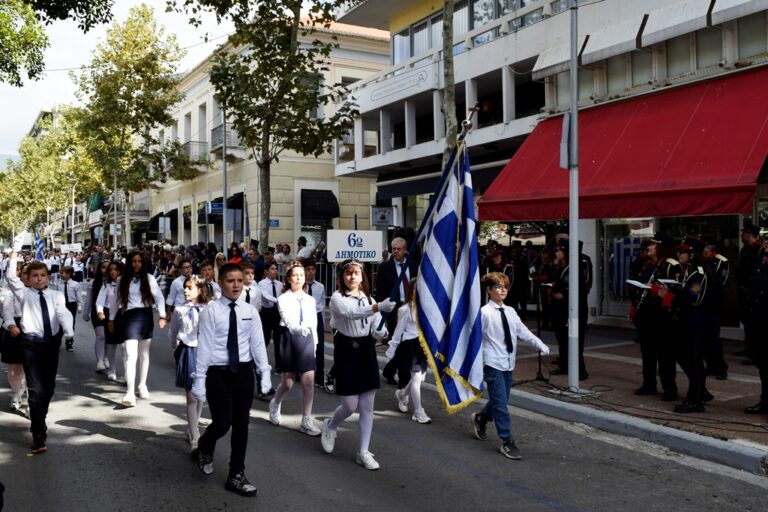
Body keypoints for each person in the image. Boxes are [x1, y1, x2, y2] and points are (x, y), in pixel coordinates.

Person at [192, 263, 272, 497]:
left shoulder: (250, 311)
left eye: (239, 280)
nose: (236, 285)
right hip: (218, 372)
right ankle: (205, 446)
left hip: (243, 372)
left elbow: (257, 344)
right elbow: (205, 347)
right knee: (222, 423)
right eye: (230, 280)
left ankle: (236, 474)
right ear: (220, 283)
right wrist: (199, 379)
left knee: (241, 424)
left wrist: (264, 372)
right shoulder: (211, 311)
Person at [320, 259, 395, 470]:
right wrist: (378, 307)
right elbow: (349, 314)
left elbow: (376, 328)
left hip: (367, 351)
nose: (352, 277)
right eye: (348, 274)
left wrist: (381, 331)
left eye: (356, 273)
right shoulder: (337, 298)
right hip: (347, 349)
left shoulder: (369, 299)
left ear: (363, 277)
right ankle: (331, 425)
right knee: (350, 405)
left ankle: (363, 451)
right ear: (342, 278)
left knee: (367, 405)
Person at [472, 272, 550, 460]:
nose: (503, 290)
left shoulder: (510, 311)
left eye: (505, 286)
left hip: (508, 363)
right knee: (501, 405)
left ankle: (481, 418)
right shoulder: (484, 313)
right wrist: (478, 363)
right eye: (498, 286)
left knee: (501, 400)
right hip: (492, 363)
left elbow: (522, 331)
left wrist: (539, 344)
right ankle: (507, 441)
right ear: (489, 290)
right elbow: (476, 340)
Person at [6, 253, 74, 454]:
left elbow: (63, 313)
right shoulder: (24, 294)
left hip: (51, 344)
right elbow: (11, 279)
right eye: (34, 275)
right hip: (31, 344)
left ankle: (39, 418)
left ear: (47, 277)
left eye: (42, 275)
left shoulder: (56, 295)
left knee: (48, 387)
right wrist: (13, 256)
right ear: (29, 278)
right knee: (35, 391)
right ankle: (38, 433)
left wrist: (68, 330)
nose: (38, 278)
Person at [106, 252, 167, 407]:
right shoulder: (121, 280)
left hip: (145, 316)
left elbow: (159, 297)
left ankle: (142, 384)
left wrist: (162, 315)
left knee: (144, 354)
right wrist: (111, 319)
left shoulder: (150, 278)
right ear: (129, 263)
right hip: (128, 317)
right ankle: (130, 392)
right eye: (134, 261)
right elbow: (116, 301)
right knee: (130, 354)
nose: (137, 264)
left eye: (140, 261)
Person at [268, 262, 321, 436]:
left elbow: (313, 323)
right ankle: (275, 403)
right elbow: (287, 318)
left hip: (306, 339)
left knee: (308, 381)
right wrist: (297, 328)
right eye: (295, 275)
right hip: (289, 338)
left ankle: (306, 419)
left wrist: (314, 345)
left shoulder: (310, 300)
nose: (299, 278)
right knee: (288, 382)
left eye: (301, 275)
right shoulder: (283, 298)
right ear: (289, 278)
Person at [661, 237, 710, 413]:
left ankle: (695, 400)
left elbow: (692, 299)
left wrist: (668, 296)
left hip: (694, 323)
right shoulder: (687, 272)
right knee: (684, 358)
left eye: (682, 252)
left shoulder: (698, 274)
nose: (679, 254)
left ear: (692, 254)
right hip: (684, 321)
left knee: (694, 362)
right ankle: (697, 393)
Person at [631, 233, 680, 400]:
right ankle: (648, 384)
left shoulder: (671, 265)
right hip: (646, 315)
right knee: (647, 352)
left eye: (652, 245)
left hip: (662, 316)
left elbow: (675, 291)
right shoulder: (647, 265)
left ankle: (670, 389)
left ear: (660, 247)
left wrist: (657, 292)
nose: (649, 248)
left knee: (665, 356)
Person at [168, 275, 211, 451]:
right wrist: (175, 349)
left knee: (200, 394)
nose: (185, 290)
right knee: (192, 396)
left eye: (190, 287)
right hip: (188, 351)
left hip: (206, 353)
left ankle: (192, 427)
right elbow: (173, 332)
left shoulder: (209, 308)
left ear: (200, 290)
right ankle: (195, 436)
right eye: (185, 287)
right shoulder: (180, 310)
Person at [386, 278, 431, 424]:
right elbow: (398, 331)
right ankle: (418, 411)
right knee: (417, 378)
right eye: (415, 288)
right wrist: (392, 349)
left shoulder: (428, 308)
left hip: (423, 346)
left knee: (418, 378)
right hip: (410, 345)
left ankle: (401, 393)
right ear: (410, 290)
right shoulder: (404, 309)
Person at [376, 237, 418, 385]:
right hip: (394, 309)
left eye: (398, 249)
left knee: (405, 342)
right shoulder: (385, 267)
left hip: (410, 307)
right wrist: (382, 312)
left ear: (405, 250)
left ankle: (389, 370)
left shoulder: (413, 266)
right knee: (398, 340)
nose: (395, 251)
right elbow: (380, 291)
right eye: (393, 249)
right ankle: (403, 379)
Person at [549, 239, 590, 379]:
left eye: (559, 250)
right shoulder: (558, 266)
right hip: (559, 308)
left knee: (574, 338)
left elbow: (580, 285)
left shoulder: (578, 264)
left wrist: (563, 294)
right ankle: (564, 365)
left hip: (574, 309)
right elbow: (554, 281)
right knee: (562, 337)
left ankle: (580, 370)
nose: (556, 252)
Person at [699, 235, 729, 381]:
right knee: (704, 337)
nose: (702, 249)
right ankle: (710, 365)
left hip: (713, 303)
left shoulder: (721, 261)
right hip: (702, 303)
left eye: (704, 246)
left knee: (713, 338)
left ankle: (721, 368)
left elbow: (720, 282)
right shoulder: (700, 261)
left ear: (710, 247)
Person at [744, 237, 768, 415]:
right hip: (760, 320)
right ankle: (765, 400)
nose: (765, 246)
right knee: (763, 364)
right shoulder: (763, 262)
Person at [1, 263, 28, 418]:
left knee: (31, 367)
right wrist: (11, 325)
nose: (27, 276)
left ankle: (32, 402)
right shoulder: (12, 293)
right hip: (15, 329)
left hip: (31, 329)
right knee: (14, 368)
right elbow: (7, 311)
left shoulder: (40, 294)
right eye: (24, 273)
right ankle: (16, 392)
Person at [736, 223, 762, 359]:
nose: (742, 235)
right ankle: (749, 347)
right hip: (744, 290)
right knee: (746, 320)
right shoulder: (744, 250)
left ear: (750, 234)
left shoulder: (759, 250)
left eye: (744, 233)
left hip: (754, 292)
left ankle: (755, 351)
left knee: (754, 322)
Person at [302, 258, 328, 389]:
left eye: (313, 269)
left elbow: (322, 304)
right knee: (304, 347)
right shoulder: (301, 286)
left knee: (320, 348)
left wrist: (320, 319)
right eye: (308, 269)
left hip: (317, 317)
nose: (311, 272)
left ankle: (319, 377)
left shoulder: (320, 286)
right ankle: (302, 373)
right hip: (305, 318)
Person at [96, 261, 124, 381]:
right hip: (109, 315)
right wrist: (100, 311)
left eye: (116, 269)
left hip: (124, 314)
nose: (113, 272)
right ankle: (112, 369)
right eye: (111, 270)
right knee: (112, 344)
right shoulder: (106, 285)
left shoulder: (125, 283)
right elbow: (100, 300)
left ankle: (128, 373)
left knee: (125, 346)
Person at [83, 259, 111, 373]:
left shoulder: (116, 282)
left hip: (111, 312)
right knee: (101, 336)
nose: (106, 270)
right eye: (103, 267)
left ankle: (106, 357)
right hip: (97, 312)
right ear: (99, 269)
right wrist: (86, 312)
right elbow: (89, 299)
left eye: (108, 268)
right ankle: (99, 361)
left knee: (109, 337)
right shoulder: (93, 283)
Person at [58, 266, 82, 353]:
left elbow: (78, 296)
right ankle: (57, 341)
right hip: (61, 304)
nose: (60, 274)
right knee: (60, 323)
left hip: (71, 305)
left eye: (62, 273)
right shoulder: (59, 283)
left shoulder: (75, 284)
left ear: (69, 274)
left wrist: (79, 305)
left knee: (71, 324)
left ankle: (69, 342)